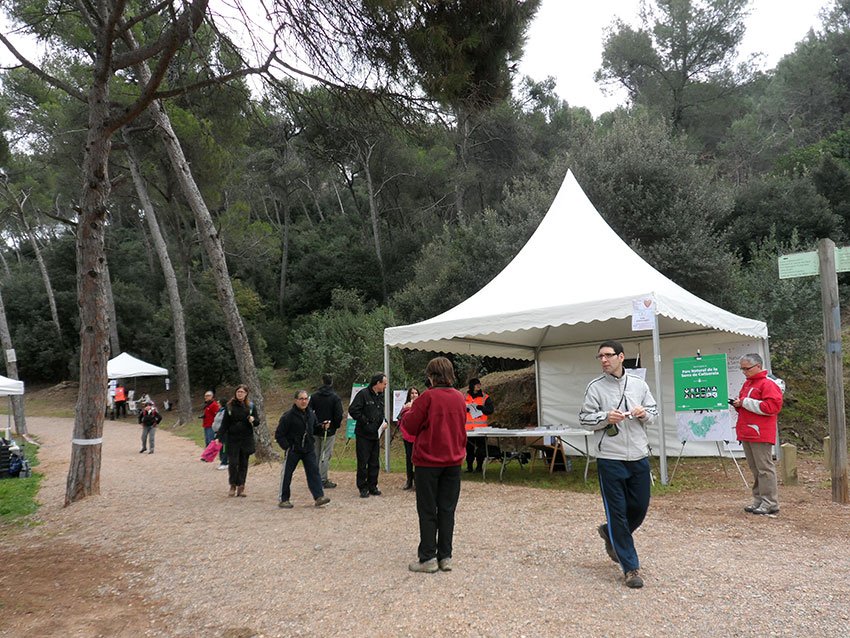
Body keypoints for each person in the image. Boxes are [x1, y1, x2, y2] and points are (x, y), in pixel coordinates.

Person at [579, 340, 657, 589]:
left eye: (608, 355)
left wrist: (644, 414)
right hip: (610, 458)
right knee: (617, 513)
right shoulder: (594, 387)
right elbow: (584, 418)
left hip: (638, 455)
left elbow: (654, 413)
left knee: (639, 507)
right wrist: (605, 417)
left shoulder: (639, 384)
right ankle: (630, 568)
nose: (603, 360)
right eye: (600, 356)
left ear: (621, 357)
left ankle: (609, 532)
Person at [401, 357, 467, 573]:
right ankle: (445, 556)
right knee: (447, 509)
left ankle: (428, 557)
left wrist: (408, 410)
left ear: (431, 376)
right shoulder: (459, 397)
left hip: (428, 461)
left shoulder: (427, 398)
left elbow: (410, 427)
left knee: (428, 509)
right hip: (453, 461)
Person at [730, 353, 784, 516]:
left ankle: (770, 502)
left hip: (761, 432)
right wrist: (738, 404)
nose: (744, 372)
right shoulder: (748, 383)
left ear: (758, 366)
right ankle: (759, 500)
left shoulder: (768, 384)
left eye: (747, 368)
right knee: (755, 469)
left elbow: (772, 407)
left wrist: (744, 402)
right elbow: (747, 406)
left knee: (764, 468)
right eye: (742, 369)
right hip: (748, 431)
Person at [275, 390, 331, 509]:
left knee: (314, 472)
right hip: (293, 450)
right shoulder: (288, 416)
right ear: (296, 400)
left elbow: (314, 428)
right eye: (301, 399)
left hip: (308, 449)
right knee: (287, 474)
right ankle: (284, 499)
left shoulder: (311, 414)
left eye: (306, 399)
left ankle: (319, 497)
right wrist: (287, 447)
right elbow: (279, 434)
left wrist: (322, 426)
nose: (304, 401)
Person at [349, 373, 387, 498]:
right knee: (363, 462)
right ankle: (363, 487)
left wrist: (384, 421)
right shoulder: (363, 394)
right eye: (384, 384)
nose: (385, 386)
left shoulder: (380, 396)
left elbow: (380, 412)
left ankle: (373, 485)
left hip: (375, 434)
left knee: (374, 462)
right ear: (378, 383)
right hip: (363, 435)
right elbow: (353, 410)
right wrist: (365, 422)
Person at [216, 384, 258, 497]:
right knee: (233, 463)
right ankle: (233, 485)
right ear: (235, 393)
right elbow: (224, 424)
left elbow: (257, 422)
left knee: (243, 463)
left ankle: (241, 486)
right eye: (238, 391)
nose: (240, 394)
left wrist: (253, 420)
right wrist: (218, 437)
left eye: (242, 392)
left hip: (246, 439)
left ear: (246, 394)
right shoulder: (229, 406)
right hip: (232, 438)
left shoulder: (251, 406)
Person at [309, 374, 344, 489]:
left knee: (317, 454)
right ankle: (322, 479)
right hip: (328, 430)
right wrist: (333, 426)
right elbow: (339, 415)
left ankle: (315, 478)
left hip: (316, 429)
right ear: (331, 382)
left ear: (322, 381)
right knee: (325, 455)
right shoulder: (335, 397)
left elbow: (309, 412)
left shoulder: (314, 396)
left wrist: (315, 424)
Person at [464, 377, 494, 473]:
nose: (478, 386)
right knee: (469, 449)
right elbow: (457, 408)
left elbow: (490, 410)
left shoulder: (485, 397)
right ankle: (469, 467)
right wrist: (464, 409)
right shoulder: (464, 397)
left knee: (481, 449)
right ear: (471, 386)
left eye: (479, 384)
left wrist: (482, 408)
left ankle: (479, 467)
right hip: (468, 429)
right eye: (476, 384)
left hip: (481, 429)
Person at [397, 387, 420, 490]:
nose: (414, 395)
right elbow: (400, 420)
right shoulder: (405, 406)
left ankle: (418, 481)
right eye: (412, 393)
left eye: (416, 393)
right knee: (409, 458)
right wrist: (406, 408)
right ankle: (409, 480)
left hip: (418, 437)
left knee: (418, 459)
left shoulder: (422, 405)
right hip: (407, 436)